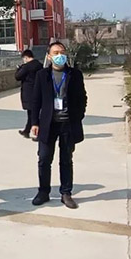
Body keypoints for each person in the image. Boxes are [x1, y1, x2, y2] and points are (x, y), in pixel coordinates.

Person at [30, 41, 88, 209]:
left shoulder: (74, 74)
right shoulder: (42, 75)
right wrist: (34, 122)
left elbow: (82, 98)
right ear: (49, 56)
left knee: (66, 159)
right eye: (55, 53)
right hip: (48, 124)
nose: (59, 56)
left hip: (68, 124)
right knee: (44, 159)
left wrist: (78, 116)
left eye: (62, 52)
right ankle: (43, 192)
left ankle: (66, 193)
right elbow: (36, 101)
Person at [15, 49, 43, 139]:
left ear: (26, 57)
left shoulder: (26, 67)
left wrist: (18, 69)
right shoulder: (40, 65)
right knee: (33, 113)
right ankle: (26, 130)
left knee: (32, 114)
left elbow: (18, 76)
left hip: (28, 92)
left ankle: (39, 134)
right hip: (38, 90)